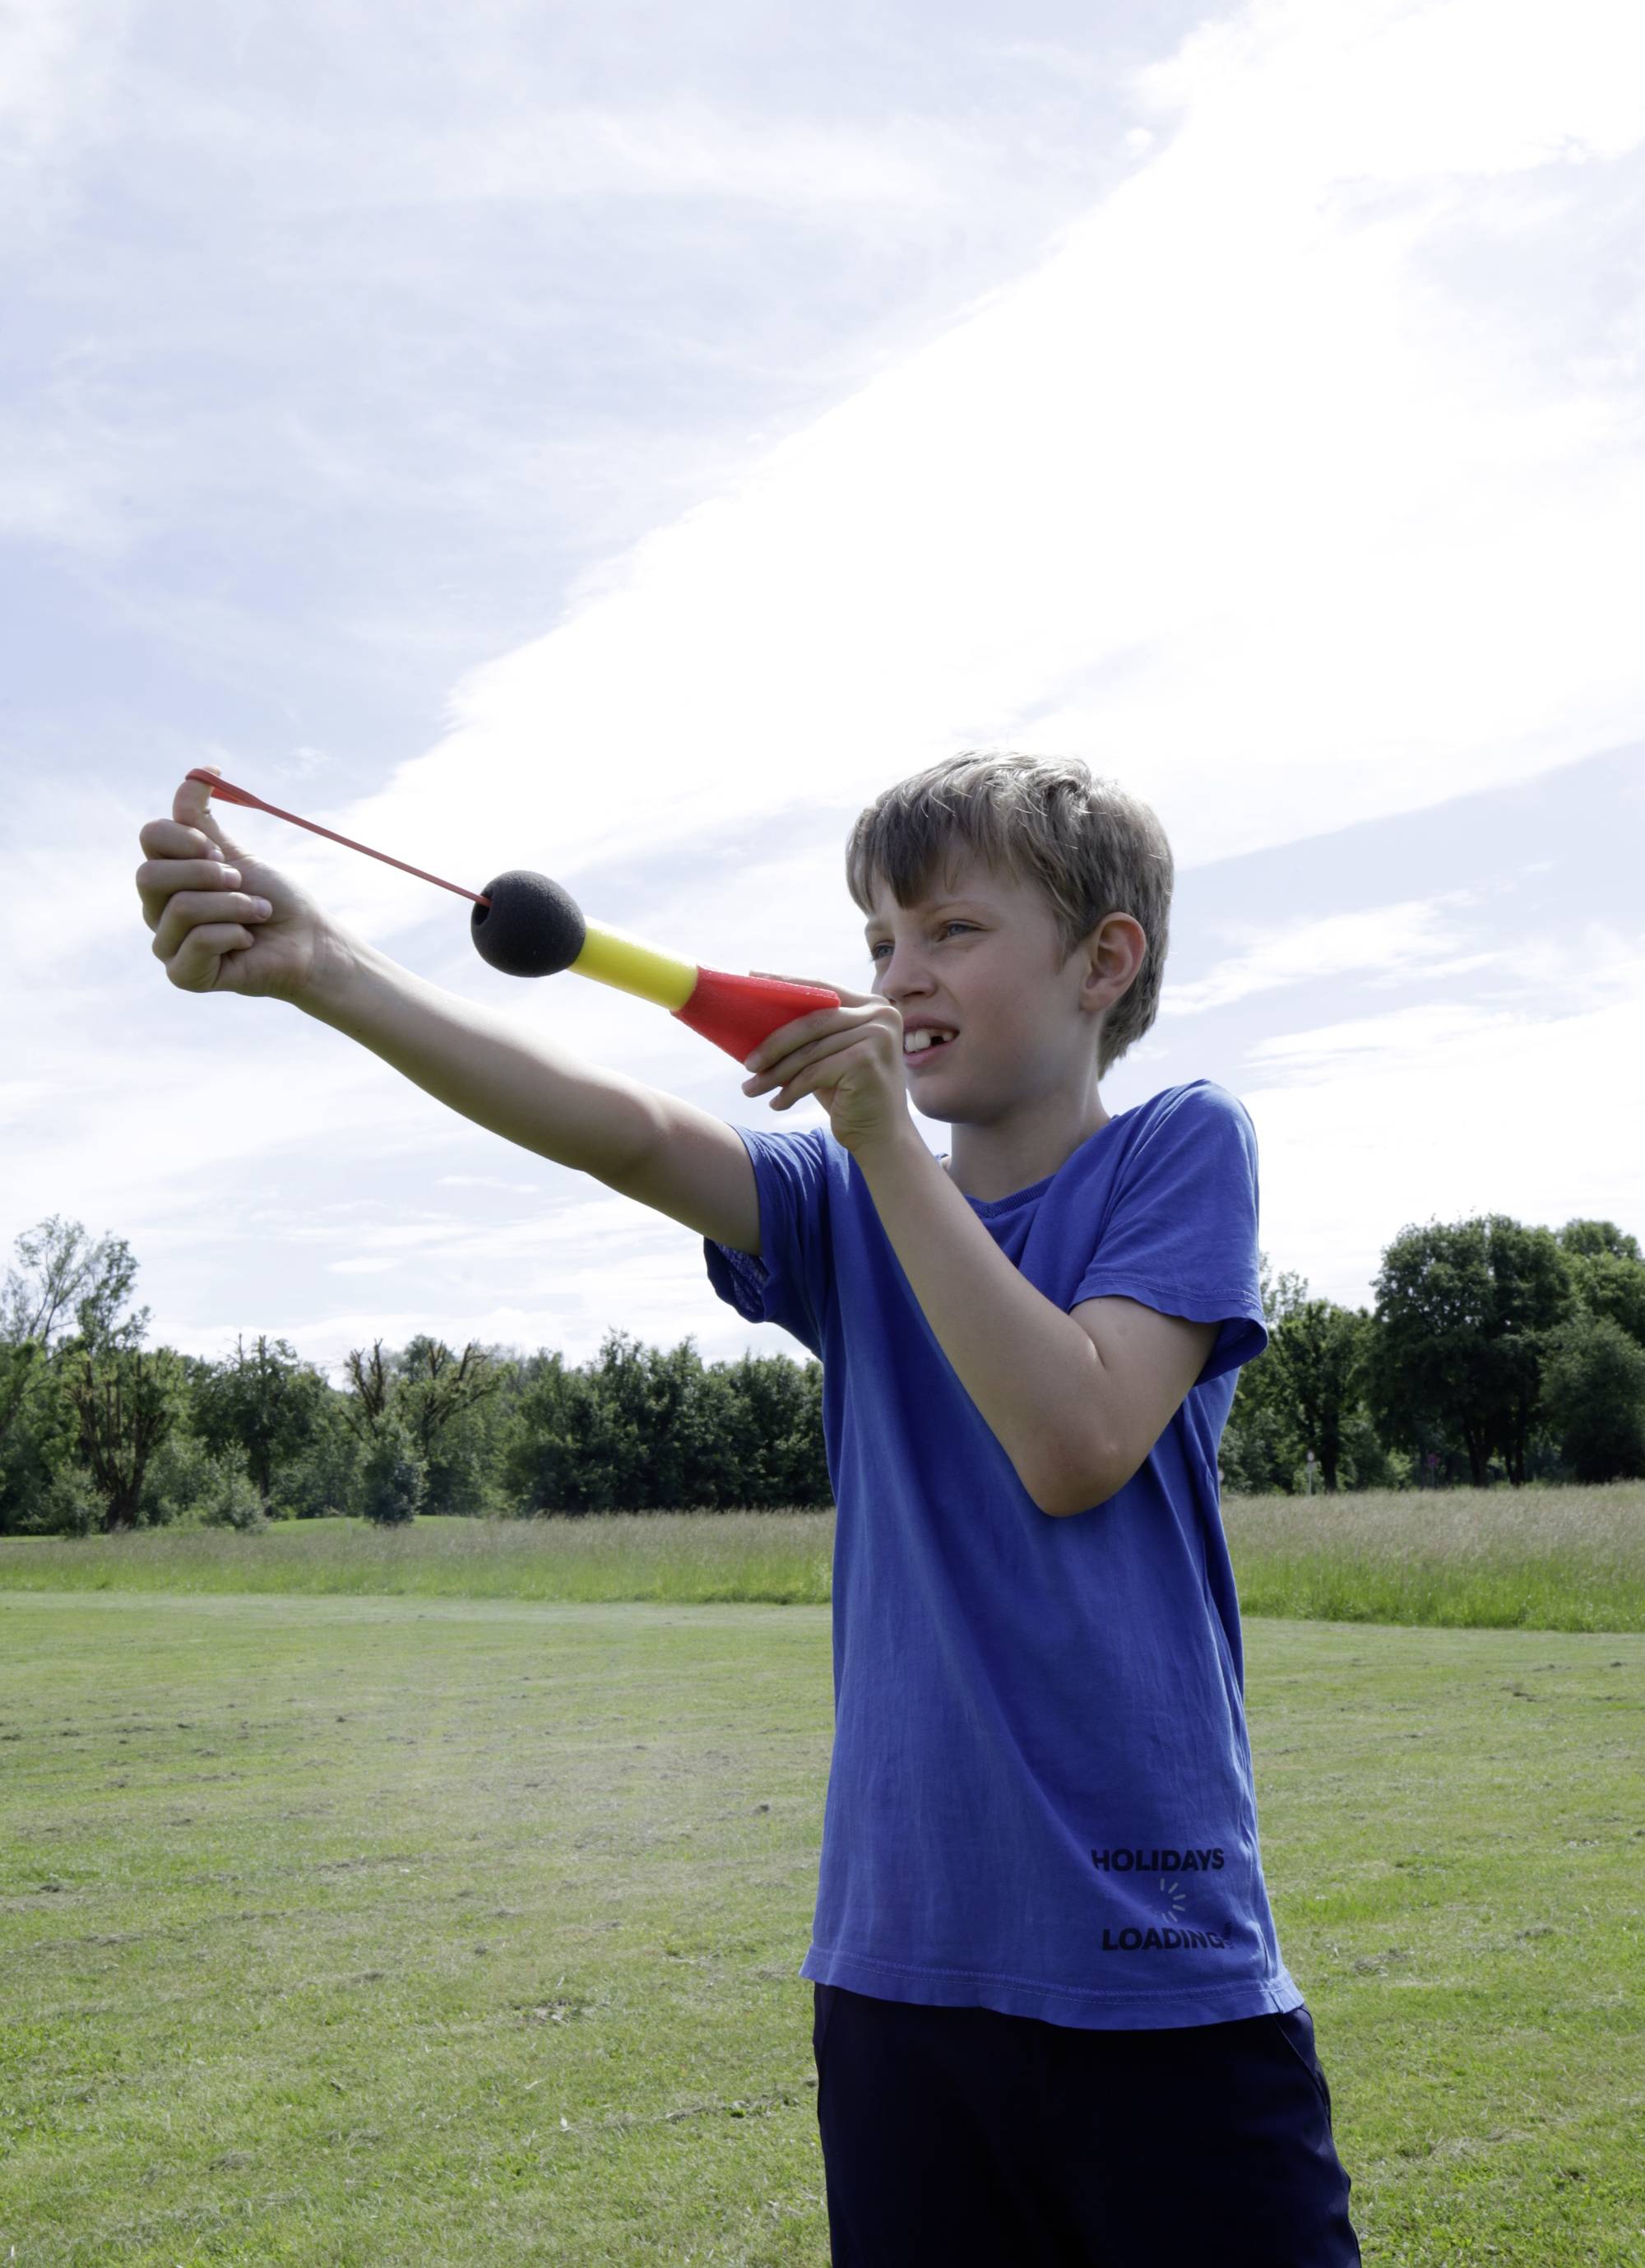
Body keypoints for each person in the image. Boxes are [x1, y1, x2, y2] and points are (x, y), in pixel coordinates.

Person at [136, 746, 1360, 2266]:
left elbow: (1076, 1439)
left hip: (1157, 1981)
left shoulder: (1178, 1146)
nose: (899, 976)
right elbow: (633, 1132)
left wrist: (878, 1146)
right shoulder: (852, 1194)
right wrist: (327, 969)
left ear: (1106, 961)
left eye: (953, 933)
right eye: (876, 946)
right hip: (897, 1981)